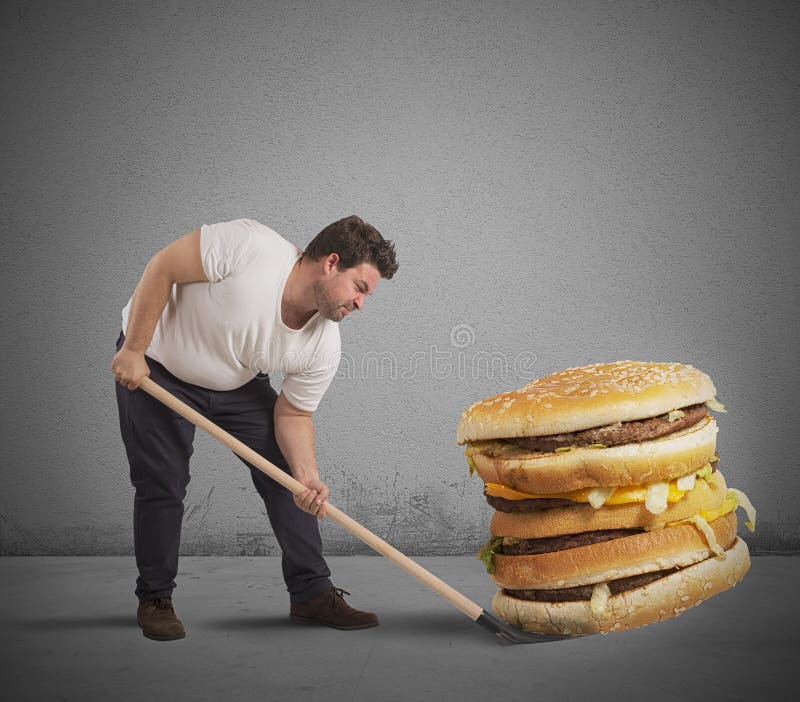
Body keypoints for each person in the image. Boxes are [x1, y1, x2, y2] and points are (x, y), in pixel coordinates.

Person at [111, 215, 398, 641]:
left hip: (237, 384)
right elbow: (163, 267)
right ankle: (155, 597)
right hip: (158, 366)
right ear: (332, 263)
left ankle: (311, 594)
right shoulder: (249, 246)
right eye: (361, 288)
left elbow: (294, 414)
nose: (361, 304)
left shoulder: (323, 343)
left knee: (288, 481)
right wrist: (134, 349)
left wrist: (308, 476)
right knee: (163, 483)